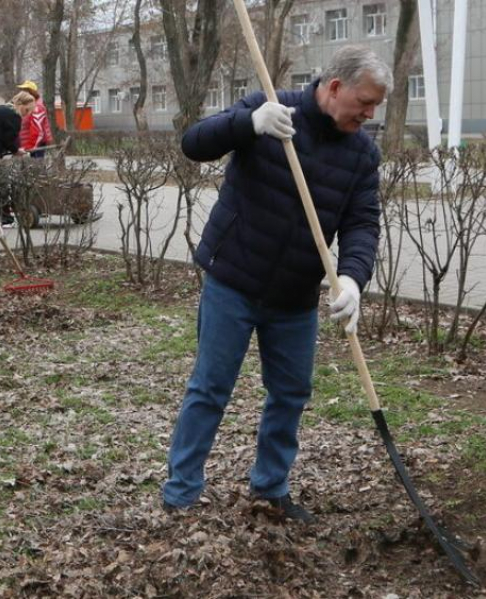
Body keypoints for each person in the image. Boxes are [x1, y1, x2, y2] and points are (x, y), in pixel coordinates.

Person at [161, 45, 391, 523]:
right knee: (210, 387)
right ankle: (181, 492)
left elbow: (363, 223)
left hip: (295, 295)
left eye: (375, 107)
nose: (369, 115)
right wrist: (249, 123)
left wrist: (352, 278)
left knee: (290, 393)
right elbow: (194, 143)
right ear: (334, 88)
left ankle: (271, 488)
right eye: (365, 103)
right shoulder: (270, 105)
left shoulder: (361, 153)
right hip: (234, 278)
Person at [0, 91, 37, 225]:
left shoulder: (3, 109)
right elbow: (10, 138)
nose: (27, 113)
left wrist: (16, 148)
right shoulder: (14, 115)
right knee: (1, 182)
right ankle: (5, 217)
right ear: (20, 104)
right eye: (27, 109)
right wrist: (17, 150)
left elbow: (9, 136)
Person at [16, 80, 53, 157]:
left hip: (35, 144)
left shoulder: (37, 108)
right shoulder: (27, 106)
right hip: (28, 144)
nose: (22, 93)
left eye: (25, 91)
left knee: (36, 166)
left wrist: (30, 147)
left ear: (31, 93)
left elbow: (38, 131)